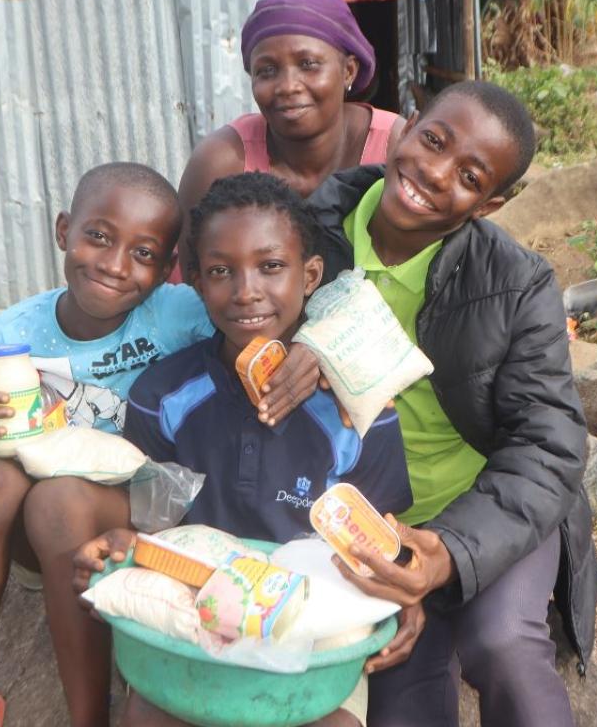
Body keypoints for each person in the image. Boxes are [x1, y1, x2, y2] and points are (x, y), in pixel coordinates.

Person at [0, 163, 320, 727]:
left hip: (136, 512)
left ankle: (89, 715)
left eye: (143, 254)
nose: (115, 266)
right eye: (98, 236)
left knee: (61, 499)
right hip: (37, 535)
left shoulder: (182, 312)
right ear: (63, 230)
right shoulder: (8, 337)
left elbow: (263, 312)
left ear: (169, 270)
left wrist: (317, 347)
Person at [302, 81, 597, 727]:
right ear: (406, 128)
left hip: (483, 509)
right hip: (360, 523)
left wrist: (447, 551)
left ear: (490, 203)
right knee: (393, 688)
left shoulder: (518, 285)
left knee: (504, 646)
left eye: (469, 176)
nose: (434, 174)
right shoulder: (304, 231)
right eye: (433, 141)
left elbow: (548, 447)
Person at [71, 172, 413, 726]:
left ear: (311, 277)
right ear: (198, 284)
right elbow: (152, 529)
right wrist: (123, 547)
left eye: (271, 266)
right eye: (221, 271)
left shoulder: (360, 412)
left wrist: (402, 594)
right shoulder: (163, 396)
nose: (246, 290)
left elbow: (382, 537)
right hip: (192, 629)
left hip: (311, 643)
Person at [172, 0, 406, 280]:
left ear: (348, 70)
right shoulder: (222, 161)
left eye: (308, 64)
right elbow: (195, 279)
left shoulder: (393, 146)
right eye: (266, 71)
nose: (287, 87)